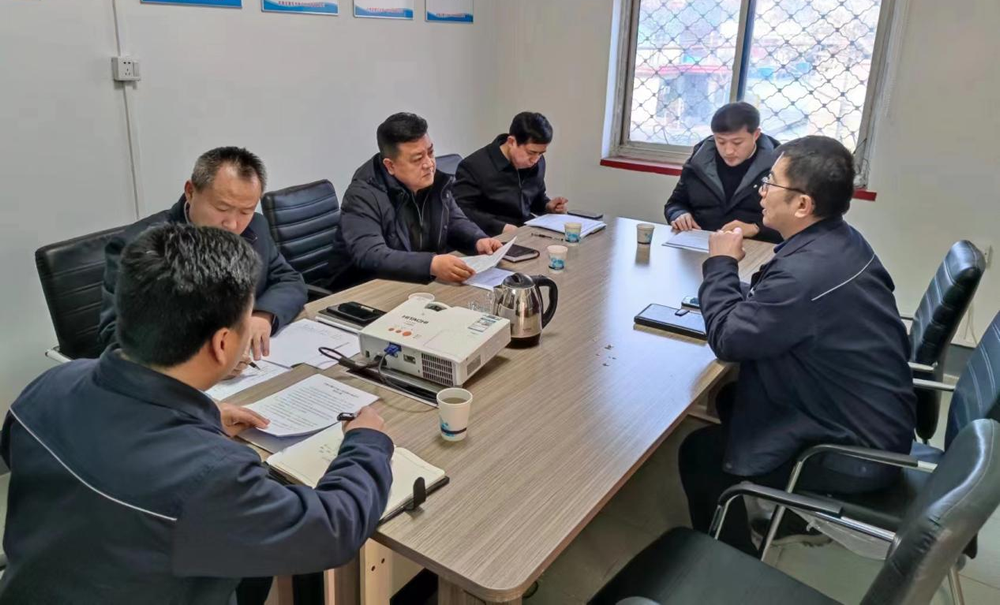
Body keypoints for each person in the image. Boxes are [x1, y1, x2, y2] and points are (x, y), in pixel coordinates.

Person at [0, 224, 392, 604]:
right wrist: (366, 443)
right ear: (222, 343)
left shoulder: (48, 385)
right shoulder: (211, 475)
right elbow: (332, 530)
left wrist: (198, 420)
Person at [679, 136, 916, 554]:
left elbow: (728, 339)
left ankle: (731, 562)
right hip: (875, 419)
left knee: (699, 453)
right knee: (731, 396)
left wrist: (720, 264)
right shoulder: (839, 241)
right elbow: (780, 306)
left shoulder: (805, 275)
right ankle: (786, 512)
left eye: (770, 182)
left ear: (803, 204)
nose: (762, 191)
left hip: (853, 452)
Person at [98, 146, 307, 376]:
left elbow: (289, 280)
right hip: (171, 381)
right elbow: (116, 336)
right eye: (222, 208)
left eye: (245, 211)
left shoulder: (256, 226)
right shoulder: (141, 247)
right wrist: (202, 360)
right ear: (190, 192)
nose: (233, 224)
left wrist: (263, 316)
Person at [325, 113, 503, 290]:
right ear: (390, 165)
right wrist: (431, 264)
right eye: (418, 159)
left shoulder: (433, 181)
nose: (429, 164)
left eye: (431, 152)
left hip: (415, 284)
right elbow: (371, 254)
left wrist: (477, 240)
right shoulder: (362, 195)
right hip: (363, 291)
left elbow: (454, 221)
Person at [664, 102, 782, 243]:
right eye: (721, 142)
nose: (728, 151)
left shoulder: (779, 166)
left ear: (756, 134)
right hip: (701, 243)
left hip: (755, 246)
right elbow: (675, 203)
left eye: (737, 142)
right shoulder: (699, 161)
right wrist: (679, 214)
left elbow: (793, 222)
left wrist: (756, 228)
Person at [453, 112, 569, 236]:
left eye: (541, 153)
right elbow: (462, 211)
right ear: (512, 142)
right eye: (531, 153)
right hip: (489, 236)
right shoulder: (474, 166)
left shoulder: (537, 162)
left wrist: (547, 207)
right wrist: (500, 227)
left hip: (526, 231)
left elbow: (534, 197)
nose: (535, 159)